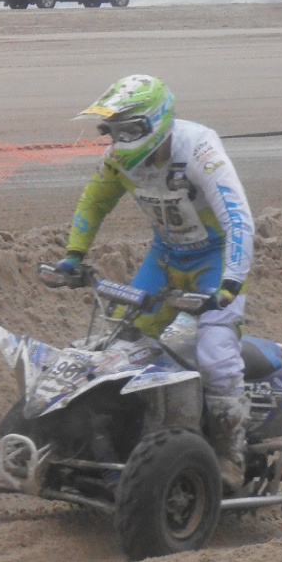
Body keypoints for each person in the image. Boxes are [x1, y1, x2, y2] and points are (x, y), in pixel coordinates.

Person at [56, 74, 255, 491]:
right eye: (111, 131)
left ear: (155, 122)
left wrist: (231, 284)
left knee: (216, 355)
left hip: (215, 261)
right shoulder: (117, 160)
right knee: (124, 346)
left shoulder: (199, 149)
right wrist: (75, 254)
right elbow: (94, 202)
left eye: (127, 130)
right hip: (165, 258)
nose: (118, 140)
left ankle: (229, 455)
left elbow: (239, 218)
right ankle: (122, 438)